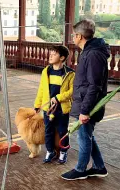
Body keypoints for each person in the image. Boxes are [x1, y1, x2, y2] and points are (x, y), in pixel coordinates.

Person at [61, 19, 110, 180]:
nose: (72, 37)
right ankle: (99, 167)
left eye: (73, 35)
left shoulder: (93, 54)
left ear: (80, 36)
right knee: (87, 136)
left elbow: (94, 85)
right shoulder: (89, 52)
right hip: (84, 103)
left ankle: (80, 169)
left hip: (87, 105)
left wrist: (84, 110)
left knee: (84, 138)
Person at [34, 45, 75, 164]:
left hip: (62, 109)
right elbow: (41, 89)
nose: (50, 56)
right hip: (48, 108)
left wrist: (58, 97)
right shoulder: (46, 71)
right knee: (48, 131)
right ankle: (50, 151)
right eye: (50, 53)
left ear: (62, 58)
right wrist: (37, 104)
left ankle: (63, 152)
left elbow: (72, 91)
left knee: (63, 131)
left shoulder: (70, 73)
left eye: (54, 54)